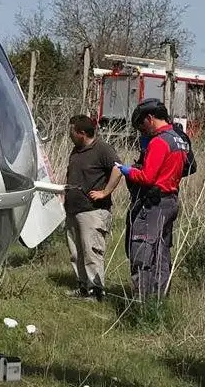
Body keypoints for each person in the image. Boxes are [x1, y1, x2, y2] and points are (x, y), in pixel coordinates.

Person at [112, 97, 185, 301]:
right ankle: (159, 301)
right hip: (170, 200)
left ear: (150, 118)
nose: (142, 132)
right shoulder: (177, 139)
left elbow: (147, 177)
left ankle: (142, 302)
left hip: (153, 204)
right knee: (161, 253)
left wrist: (127, 170)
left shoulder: (159, 141)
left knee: (142, 252)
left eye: (142, 127)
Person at [61, 114, 122, 301]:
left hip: (93, 211)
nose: (69, 135)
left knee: (91, 252)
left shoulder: (102, 149)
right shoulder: (76, 151)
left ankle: (97, 293)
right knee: (76, 253)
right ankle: (83, 288)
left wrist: (105, 191)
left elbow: (118, 168)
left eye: (71, 131)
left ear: (81, 133)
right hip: (73, 210)